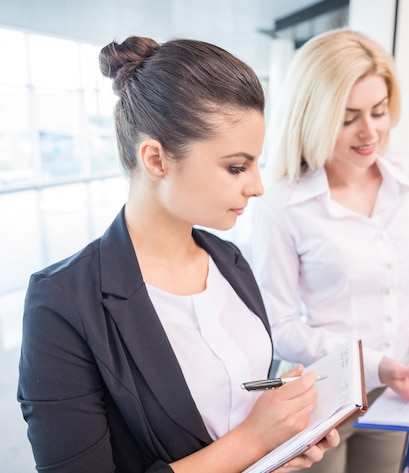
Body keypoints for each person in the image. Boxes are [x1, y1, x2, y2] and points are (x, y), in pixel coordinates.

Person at [17, 35, 339, 473]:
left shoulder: (229, 261)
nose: (257, 186)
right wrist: (254, 439)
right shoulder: (62, 303)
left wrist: (285, 429)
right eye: (236, 167)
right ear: (155, 160)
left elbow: (235, 399)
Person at [251, 29, 409, 473]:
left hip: (399, 394)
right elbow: (278, 326)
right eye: (348, 117)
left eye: (379, 111)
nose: (369, 132)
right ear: (314, 116)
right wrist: (376, 365)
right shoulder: (281, 205)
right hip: (324, 398)